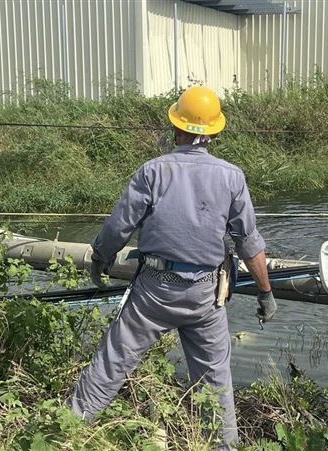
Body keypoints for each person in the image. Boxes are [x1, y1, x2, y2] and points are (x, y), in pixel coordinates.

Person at [68, 86, 276, 449]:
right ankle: (223, 446)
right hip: (206, 295)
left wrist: (100, 257)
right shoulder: (232, 177)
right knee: (216, 383)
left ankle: (67, 430)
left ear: (176, 127)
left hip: (154, 290)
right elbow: (248, 241)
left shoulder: (153, 171)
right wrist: (265, 292)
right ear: (214, 133)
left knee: (112, 362)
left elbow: (120, 226)